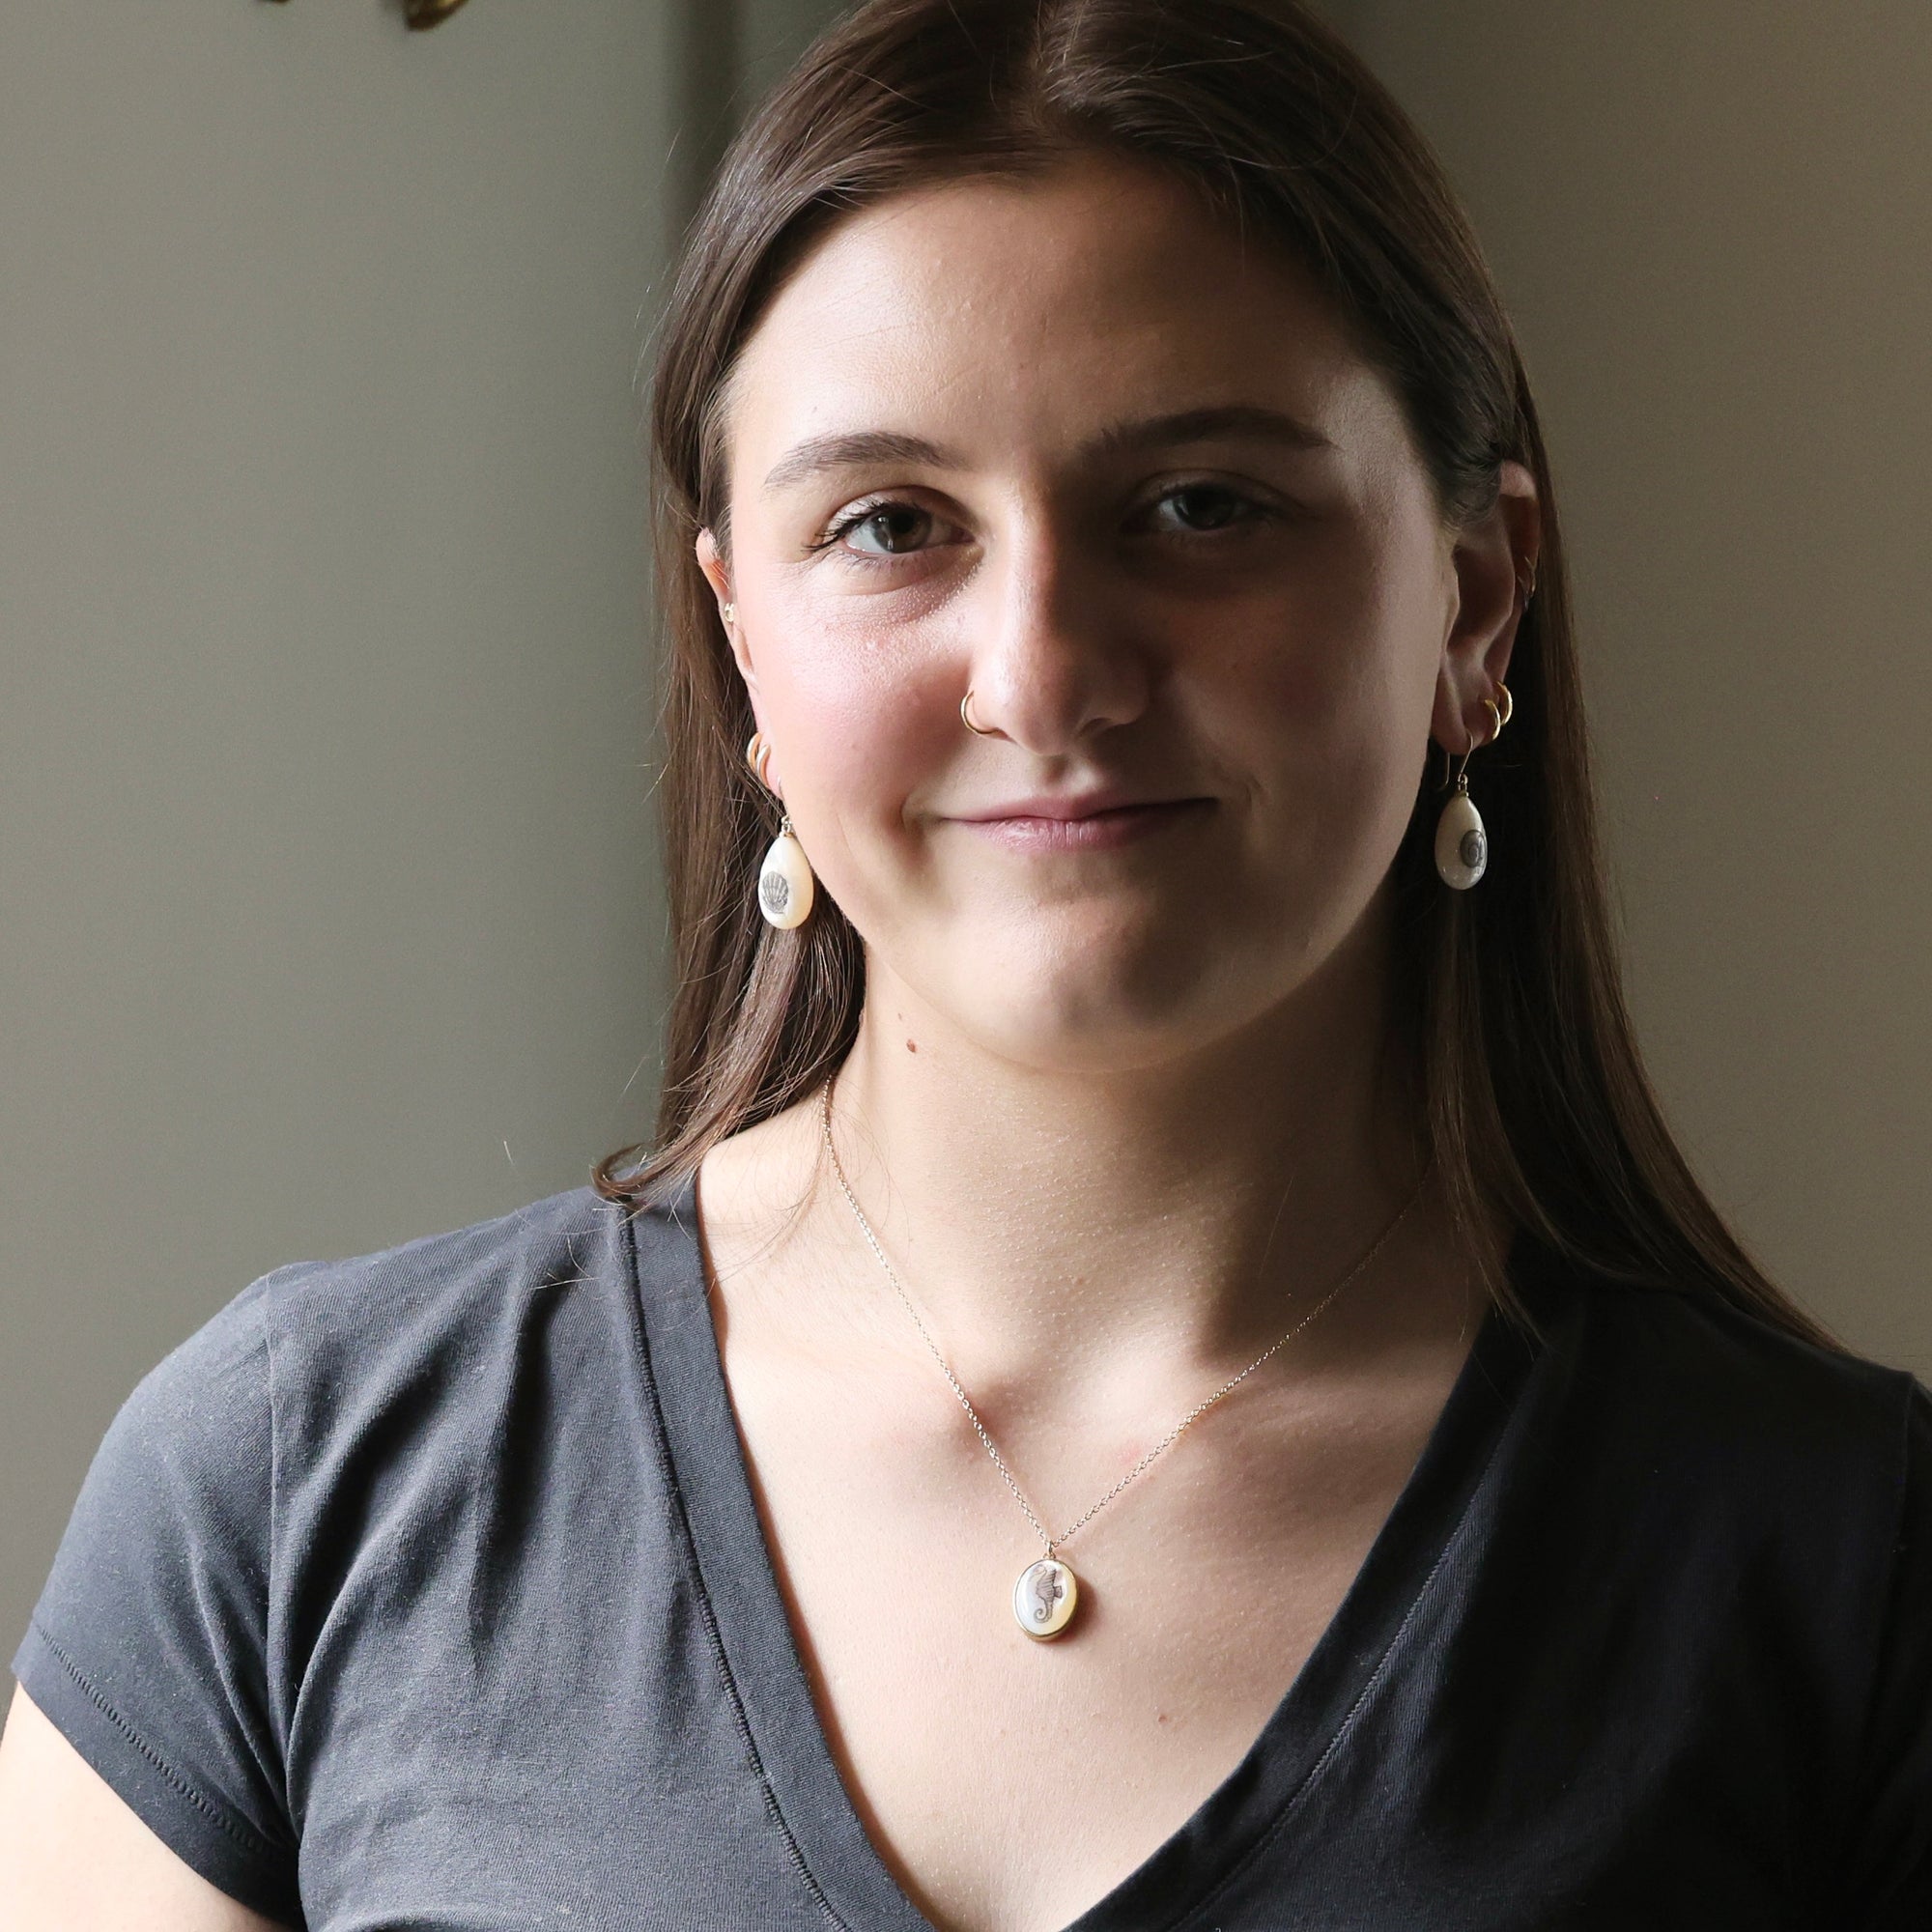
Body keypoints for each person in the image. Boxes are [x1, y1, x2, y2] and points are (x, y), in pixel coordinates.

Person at [3, 0, 1928, 1925]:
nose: (1040, 674)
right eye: (889, 525)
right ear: (743, 638)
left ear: (1472, 598)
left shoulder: (1849, 1575)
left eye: (1198, 507)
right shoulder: (285, 1491)